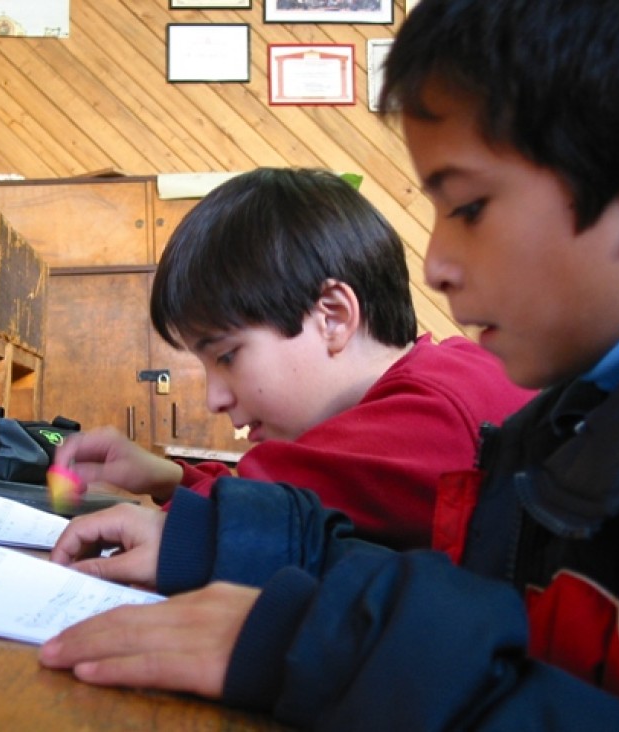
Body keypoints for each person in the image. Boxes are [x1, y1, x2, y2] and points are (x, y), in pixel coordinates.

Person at [39, 0, 619, 728]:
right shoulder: (568, 418)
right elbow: (460, 600)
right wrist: (216, 547)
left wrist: (321, 649)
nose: (436, 265)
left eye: (470, 206)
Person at [53, 167, 534, 553]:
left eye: (227, 355)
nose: (214, 398)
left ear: (332, 316)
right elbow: (294, 491)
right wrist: (172, 476)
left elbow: (254, 512)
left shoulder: (430, 414)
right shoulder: (444, 375)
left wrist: (175, 514)